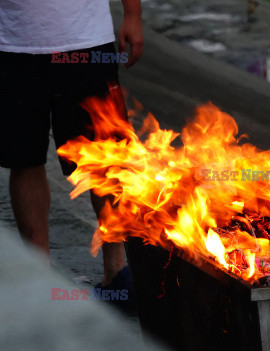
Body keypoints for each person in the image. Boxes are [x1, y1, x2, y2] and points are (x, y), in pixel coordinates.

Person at [0, 1, 143, 291]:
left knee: (105, 158)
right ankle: (38, 272)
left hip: (87, 41)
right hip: (13, 44)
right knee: (25, 159)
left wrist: (132, 14)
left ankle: (115, 269)